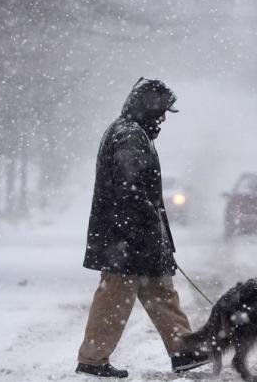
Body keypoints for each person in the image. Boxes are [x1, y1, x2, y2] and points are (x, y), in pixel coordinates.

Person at [76, 78, 209, 378]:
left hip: (134, 237)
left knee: (160, 291)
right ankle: (93, 359)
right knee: (115, 297)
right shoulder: (128, 136)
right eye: (160, 112)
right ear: (146, 109)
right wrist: (148, 228)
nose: (162, 119)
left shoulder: (133, 133)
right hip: (125, 238)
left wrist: (156, 236)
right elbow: (130, 189)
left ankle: (183, 350)